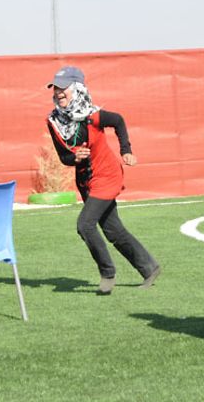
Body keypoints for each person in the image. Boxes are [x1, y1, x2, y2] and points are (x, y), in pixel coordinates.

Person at [46, 66, 160, 295]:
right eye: (55, 88)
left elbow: (118, 120)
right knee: (112, 229)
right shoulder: (53, 122)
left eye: (63, 87)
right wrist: (74, 157)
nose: (58, 92)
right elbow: (64, 156)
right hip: (86, 181)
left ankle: (107, 273)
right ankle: (149, 267)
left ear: (77, 89)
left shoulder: (93, 115)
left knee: (84, 225)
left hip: (107, 175)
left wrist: (126, 150)